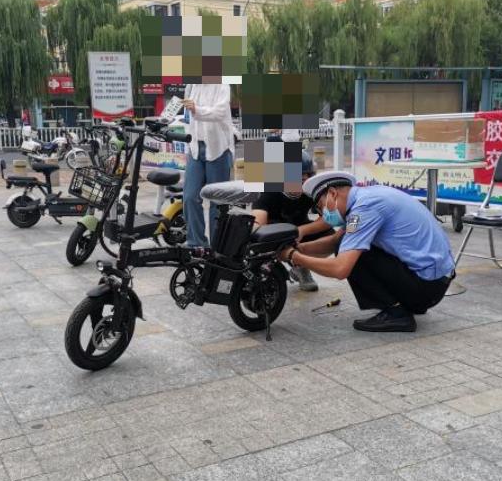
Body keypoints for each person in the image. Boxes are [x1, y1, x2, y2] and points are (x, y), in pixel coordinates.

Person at [279, 171, 455, 332]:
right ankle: (404, 304)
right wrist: (300, 248)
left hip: (427, 288)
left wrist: (294, 256)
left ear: (333, 193)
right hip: (433, 281)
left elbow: (340, 269)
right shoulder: (365, 198)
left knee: (351, 253)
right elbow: (334, 241)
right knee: (345, 243)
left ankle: (397, 313)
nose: (324, 214)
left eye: (321, 206)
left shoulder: (363, 210)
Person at [252, 149, 332, 292]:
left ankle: (301, 266)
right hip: (274, 234)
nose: (298, 184)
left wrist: (303, 230)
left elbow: (329, 219)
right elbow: (258, 226)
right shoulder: (267, 190)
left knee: (332, 238)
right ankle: (269, 270)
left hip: (299, 230)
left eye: (303, 179)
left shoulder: (312, 190)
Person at [181, 84, 236, 247]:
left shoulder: (222, 85)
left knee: (217, 202)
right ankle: (196, 244)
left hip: (219, 148)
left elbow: (219, 112)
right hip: (195, 149)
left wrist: (196, 109)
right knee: (190, 197)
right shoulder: (191, 86)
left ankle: (217, 247)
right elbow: (187, 117)